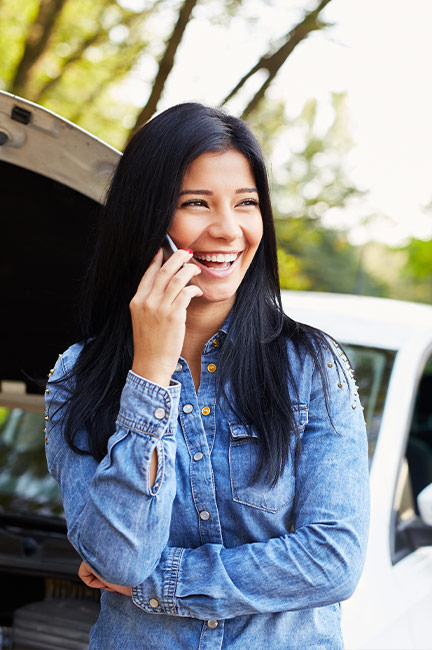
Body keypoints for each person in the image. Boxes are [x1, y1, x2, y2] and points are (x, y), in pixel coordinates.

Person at [45, 102, 369, 650]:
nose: (228, 230)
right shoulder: (80, 376)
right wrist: (149, 376)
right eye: (196, 204)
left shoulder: (312, 365)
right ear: (147, 219)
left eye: (246, 204)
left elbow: (333, 560)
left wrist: (159, 583)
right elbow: (120, 556)